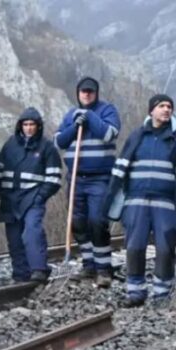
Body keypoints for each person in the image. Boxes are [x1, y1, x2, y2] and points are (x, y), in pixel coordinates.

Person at [107, 95, 176, 307]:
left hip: (166, 203)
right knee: (134, 246)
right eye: (161, 106)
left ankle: (161, 294)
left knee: (165, 248)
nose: (166, 109)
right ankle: (135, 292)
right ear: (151, 111)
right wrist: (112, 200)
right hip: (136, 201)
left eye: (169, 106)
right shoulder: (138, 135)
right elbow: (121, 166)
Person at [54, 77, 122, 287]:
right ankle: (89, 264)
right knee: (78, 223)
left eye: (90, 91)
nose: (86, 94)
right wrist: (75, 126)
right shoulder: (70, 115)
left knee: (97, 221)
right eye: (83, 91)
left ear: (96, 93)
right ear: (78, 93)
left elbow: (109, 134)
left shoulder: (107, 110)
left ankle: (103, 268)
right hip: (76, 177)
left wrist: (90, 117)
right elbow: (59, 141)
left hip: (100, 178)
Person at [0, 107, 63, 283]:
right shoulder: (10, 145)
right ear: (20, 126)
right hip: (9, 199)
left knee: (32, 232)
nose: (29, 128)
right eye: (26, 124)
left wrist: (40, 197)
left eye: (32, 124)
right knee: (14, 238)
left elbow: (54, 178)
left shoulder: (47, 147)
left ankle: (38, 269)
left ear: (38, 126)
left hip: (32, 198)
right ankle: (20, 274)